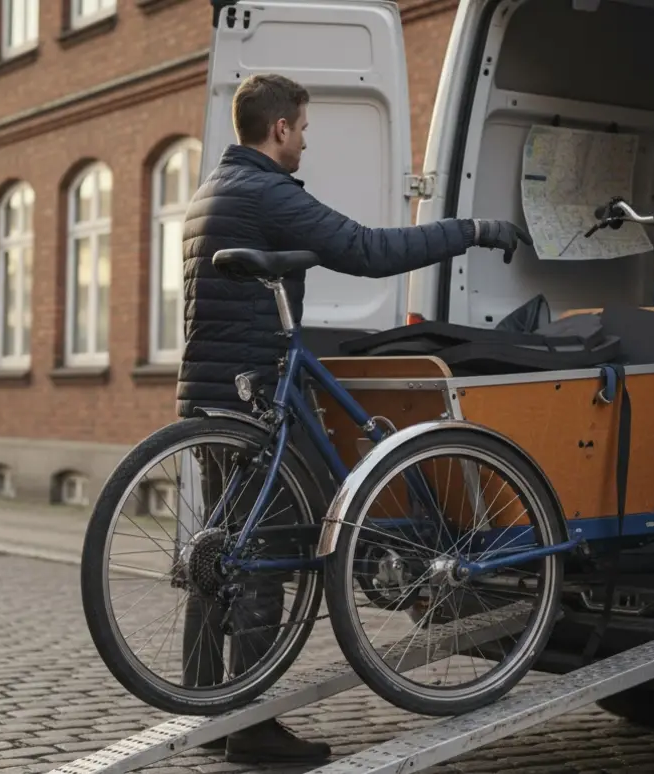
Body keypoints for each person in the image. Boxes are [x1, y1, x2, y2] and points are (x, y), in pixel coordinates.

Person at [177, 73, 530, 765]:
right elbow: (368, 251)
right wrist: (472, 231)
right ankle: (246, 725)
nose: (305, 141)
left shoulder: (212, 189)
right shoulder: (265, 191)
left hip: (209, 396)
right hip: (254, 400)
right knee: (265, 561)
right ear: (279, 128)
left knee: (220, 553)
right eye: (303, 129)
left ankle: (206, 707)